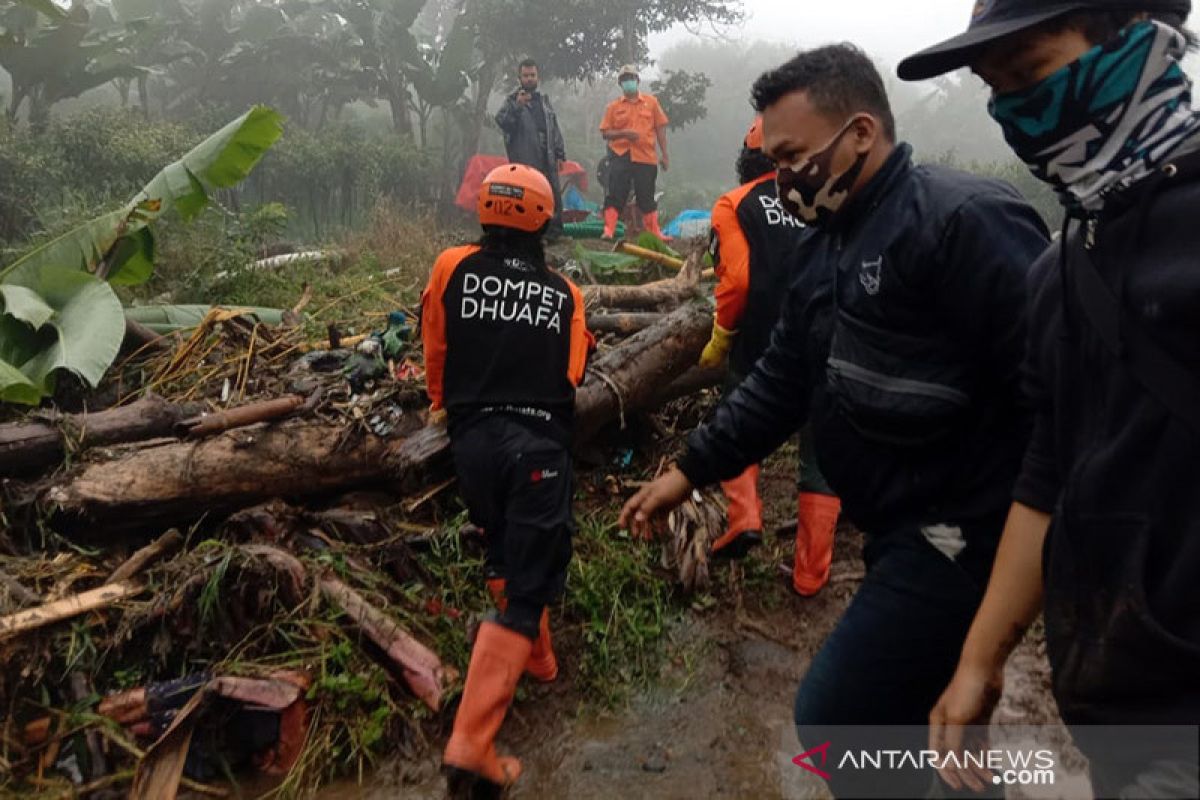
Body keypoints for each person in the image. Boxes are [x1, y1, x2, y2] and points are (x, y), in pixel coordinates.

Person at [619, 44, 1049, 797]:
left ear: (858, 133)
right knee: (925, 729)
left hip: (958, 534)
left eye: (792, 155)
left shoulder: (963, 224)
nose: (781, 176)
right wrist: (686, 472)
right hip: (893, 529)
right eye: (771, 159)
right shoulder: (826, 249)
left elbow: (1051, 406)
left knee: (836, 720)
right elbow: (780, 380)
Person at [900, 2, 1200, 796]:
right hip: (1114, 711)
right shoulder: (1063, 267)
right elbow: (1050, 467)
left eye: (1031, 74)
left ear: (1137, 36)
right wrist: (979, 661)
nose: (1017, 114)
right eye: (996, 91)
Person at [422, 163, 592, 795]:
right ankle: (471, 743)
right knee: (528, 588)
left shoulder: (450, 267)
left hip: (472, 442)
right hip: (539, 447)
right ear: (545, 218)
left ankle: (540, 660)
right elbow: (572, 374)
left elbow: (435, 347)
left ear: (484, 210)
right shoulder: (565, 293)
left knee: (500, 539)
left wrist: (444, 405)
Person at [700, 116, 841, 593]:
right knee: (820, 454)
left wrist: (721, 337)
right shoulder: (829, 201)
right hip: (829, 336)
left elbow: (736, 281)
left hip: (762, 337)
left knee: (737, 418)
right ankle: (811, 573)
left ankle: (743, 517)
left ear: (749, 155)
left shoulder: (735, 203)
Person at [495, 58, 567, 237]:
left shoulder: (544, 102)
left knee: (550, 192)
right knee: (527, 194)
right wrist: (518, 107)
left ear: (538, 77)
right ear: (519, 78)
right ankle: (526, 232)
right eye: (525, 76)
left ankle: (553, 232)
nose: (529, 79)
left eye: (532, 75)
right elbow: (503, 122)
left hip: (547, 155)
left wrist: (560, 153)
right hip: (524, 157)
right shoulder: (512, 101)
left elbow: (554, 128)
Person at [599, 64, 671, 241]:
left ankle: (654, 233)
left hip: (646, 156)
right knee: (616, 193)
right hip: (620, 154)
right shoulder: (613, 107)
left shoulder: (651, 103)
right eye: (624, 80)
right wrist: (624, 133)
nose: (628, 82)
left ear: (637, 81)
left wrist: (665, 154)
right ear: (620, 84)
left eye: (631, 78)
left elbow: (660, 129)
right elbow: (605, 133)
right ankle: (608, 230)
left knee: (646, 195)